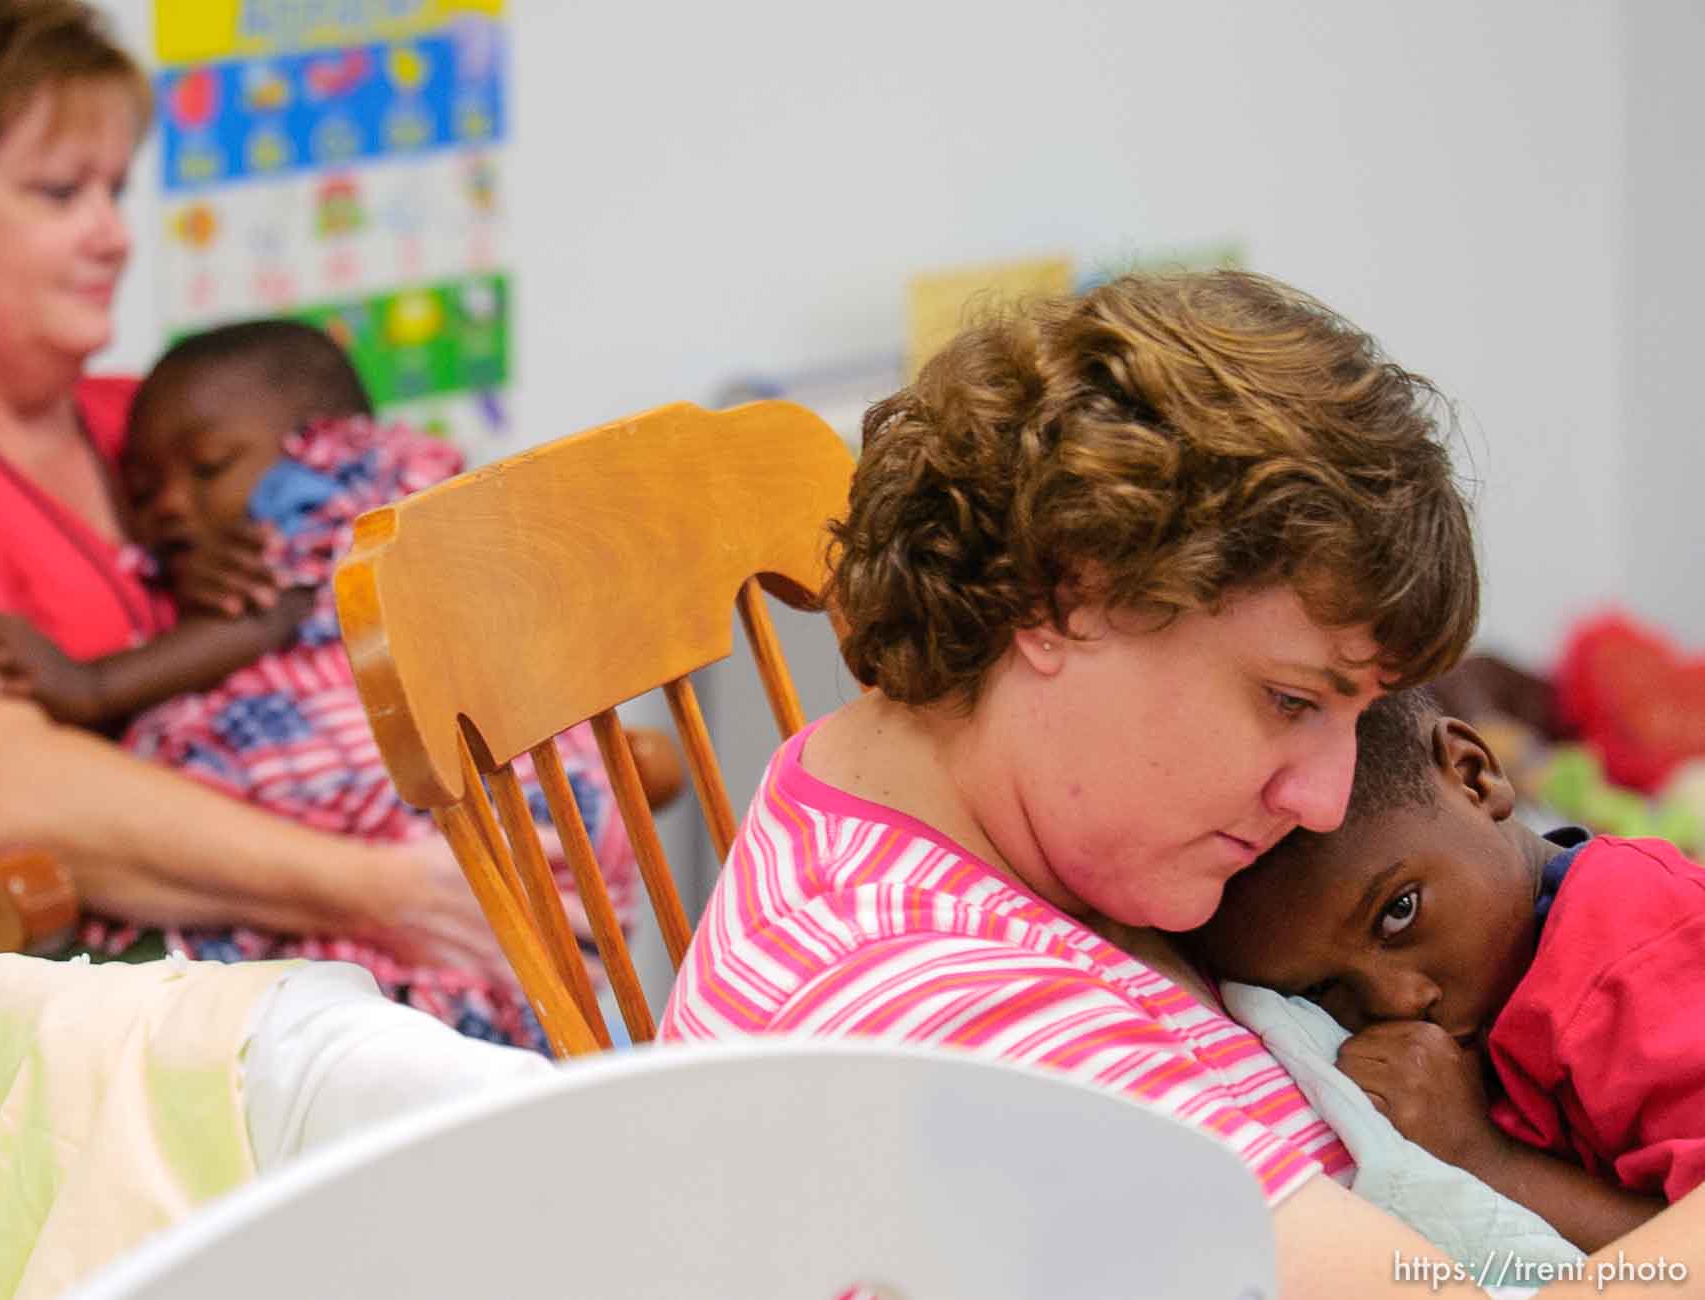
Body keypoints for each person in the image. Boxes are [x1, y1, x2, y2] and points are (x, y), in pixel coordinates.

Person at [657, 270, 1705, 1294]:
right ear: (1067, 593)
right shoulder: (946, 1021)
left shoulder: (1023, 830)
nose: (1326, 800)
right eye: (1290, 701)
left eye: (1353, 716)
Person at [0, 0, 515, 1271]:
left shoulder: (144, 422)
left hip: (219, 1020)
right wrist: (385, 886)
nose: (113, 232)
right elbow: (1, 797)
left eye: (115, 186)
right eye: (60, 191)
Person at [0, 319, 634, 1046]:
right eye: (144, 493)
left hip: (438, 820)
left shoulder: (341, 498)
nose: (171, 505)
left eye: (209, 467)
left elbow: (263, 618)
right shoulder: (232, 555)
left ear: (320, 444)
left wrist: (86, 686)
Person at [1191, 686, 1705, 1252]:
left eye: (1398, 912)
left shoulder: (1635, 952)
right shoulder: (1513, 979)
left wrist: (1484, 1159)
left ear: (1473, 775)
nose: (1396, 1001)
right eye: (1322, 990)